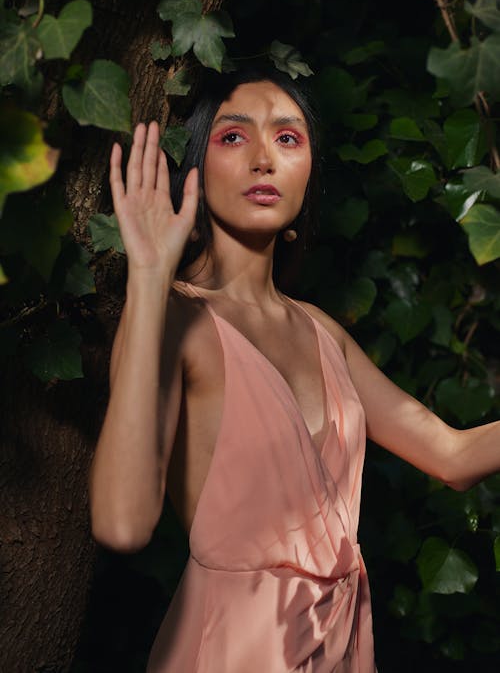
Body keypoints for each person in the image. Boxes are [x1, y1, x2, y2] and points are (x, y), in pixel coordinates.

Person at [89, 66, 500, 673]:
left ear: (310, 170)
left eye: (288, 138)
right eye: (234, 137)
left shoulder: (322, 330)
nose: (264, 159)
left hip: (337, 647)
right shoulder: (171, 315)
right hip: (229, 649)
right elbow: (122, 525)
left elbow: (455, 457)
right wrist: (147, 278)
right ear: (194, 164)